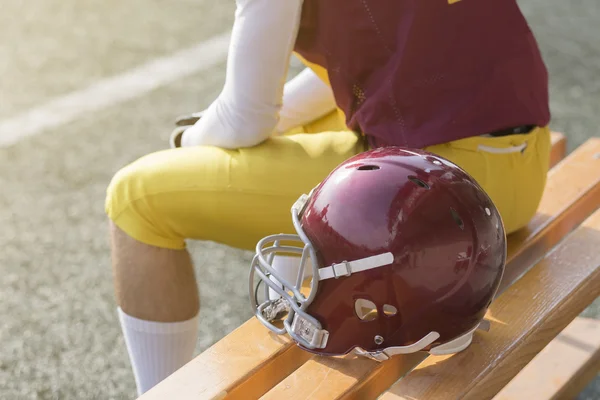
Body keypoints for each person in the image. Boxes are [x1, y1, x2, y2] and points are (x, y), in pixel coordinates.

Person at [105, 0, 551, 395]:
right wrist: (275, 131)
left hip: (437, 189)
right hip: (519, 169)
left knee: (135, 199)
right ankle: (291, 324)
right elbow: (368, 62)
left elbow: (245, 118)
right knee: (280, 141)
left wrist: (186, 141)